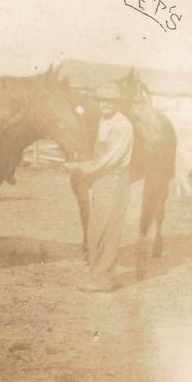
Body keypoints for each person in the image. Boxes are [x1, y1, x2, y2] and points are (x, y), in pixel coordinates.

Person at [63, 80, 134, 292]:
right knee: (97, 230)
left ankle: (101, 280)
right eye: (102, 100)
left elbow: (108, 160)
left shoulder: (123, 126)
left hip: (113, 180)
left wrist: (78, 167)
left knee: (106, 232)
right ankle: (105, 276)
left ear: (118, 103)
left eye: (110, 100)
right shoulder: (104, 121)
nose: (105, 104)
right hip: (103, 180)